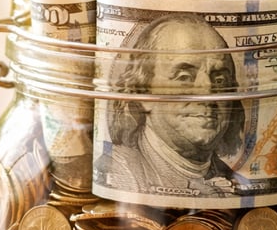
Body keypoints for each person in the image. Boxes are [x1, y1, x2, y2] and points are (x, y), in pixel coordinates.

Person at [94, 12, 245, 200]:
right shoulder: (115, 170)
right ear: (143, 93)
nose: (207, 93)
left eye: (220, 80)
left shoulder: (239, 184)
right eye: (184, 78)